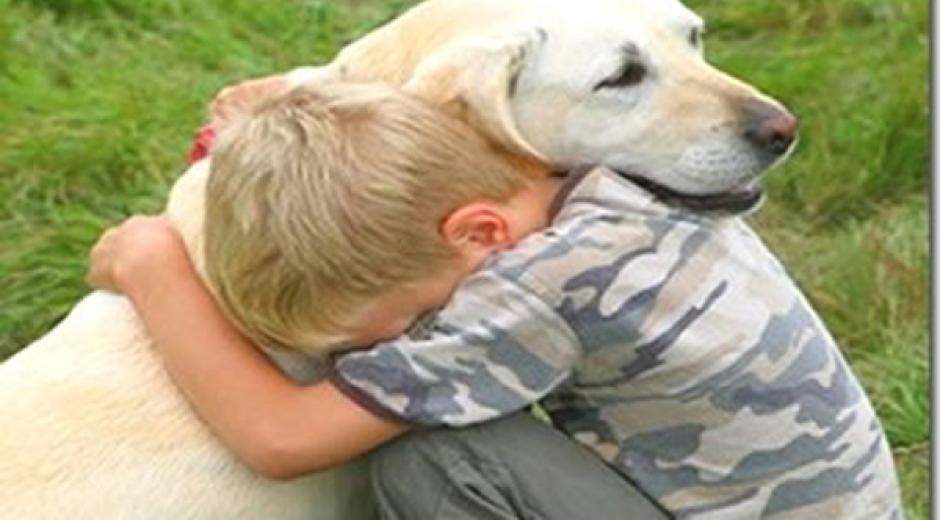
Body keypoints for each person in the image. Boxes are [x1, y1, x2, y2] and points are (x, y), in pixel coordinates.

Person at [88, 82, 902, 519]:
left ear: (477, 233)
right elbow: (413, 116)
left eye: (411, 323)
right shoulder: (594, 174)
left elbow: (280, 438)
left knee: (436, 455)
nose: (410, 342)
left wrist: (153, 266)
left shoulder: (532, 291)